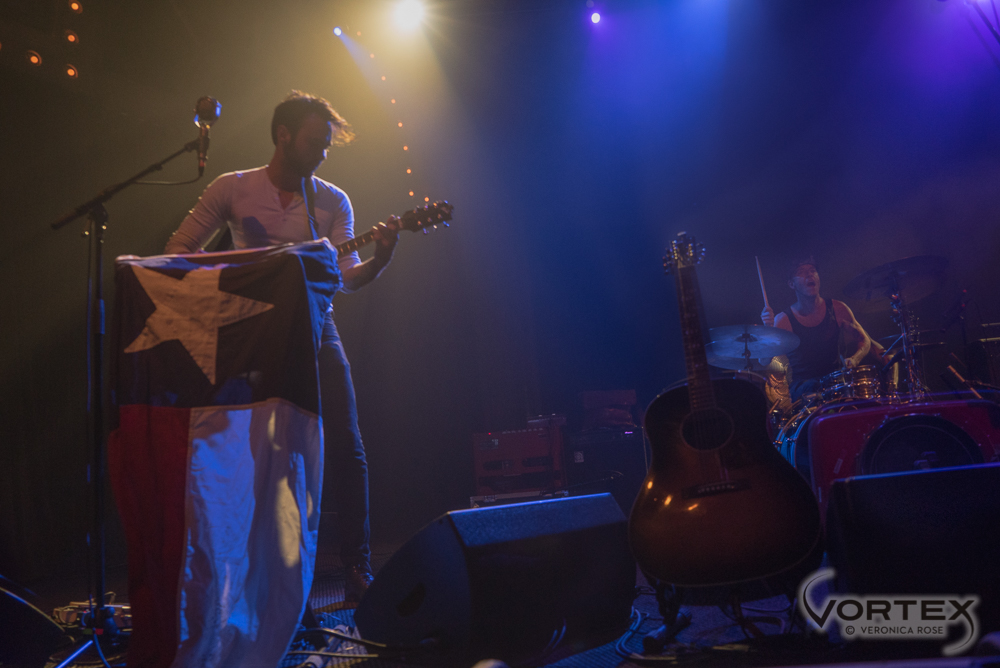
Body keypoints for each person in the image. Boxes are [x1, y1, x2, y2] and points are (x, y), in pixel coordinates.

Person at [165, 91, 398, 601]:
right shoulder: (232, 188)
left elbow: (346, 278)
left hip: (316, 328)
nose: (323, 153)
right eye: (315, 142)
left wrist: (379, 259)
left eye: (327, 145)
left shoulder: (332, 201)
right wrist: (235, 283)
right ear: (283, 136)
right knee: (256, 451)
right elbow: (178, 252)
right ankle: (257, 570)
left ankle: (357, 568)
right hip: (250, 333)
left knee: (347, 444)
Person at [760, 257, 871, 401]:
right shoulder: (784, 320)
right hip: (803, 389)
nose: (809, 274)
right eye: (801, 272)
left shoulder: (838, 309)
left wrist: (855, 359)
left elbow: (864, 340)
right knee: (815, 387)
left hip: (836, 382)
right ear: (792, 284)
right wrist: (768, 329)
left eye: (812, 270)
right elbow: (764, 360)